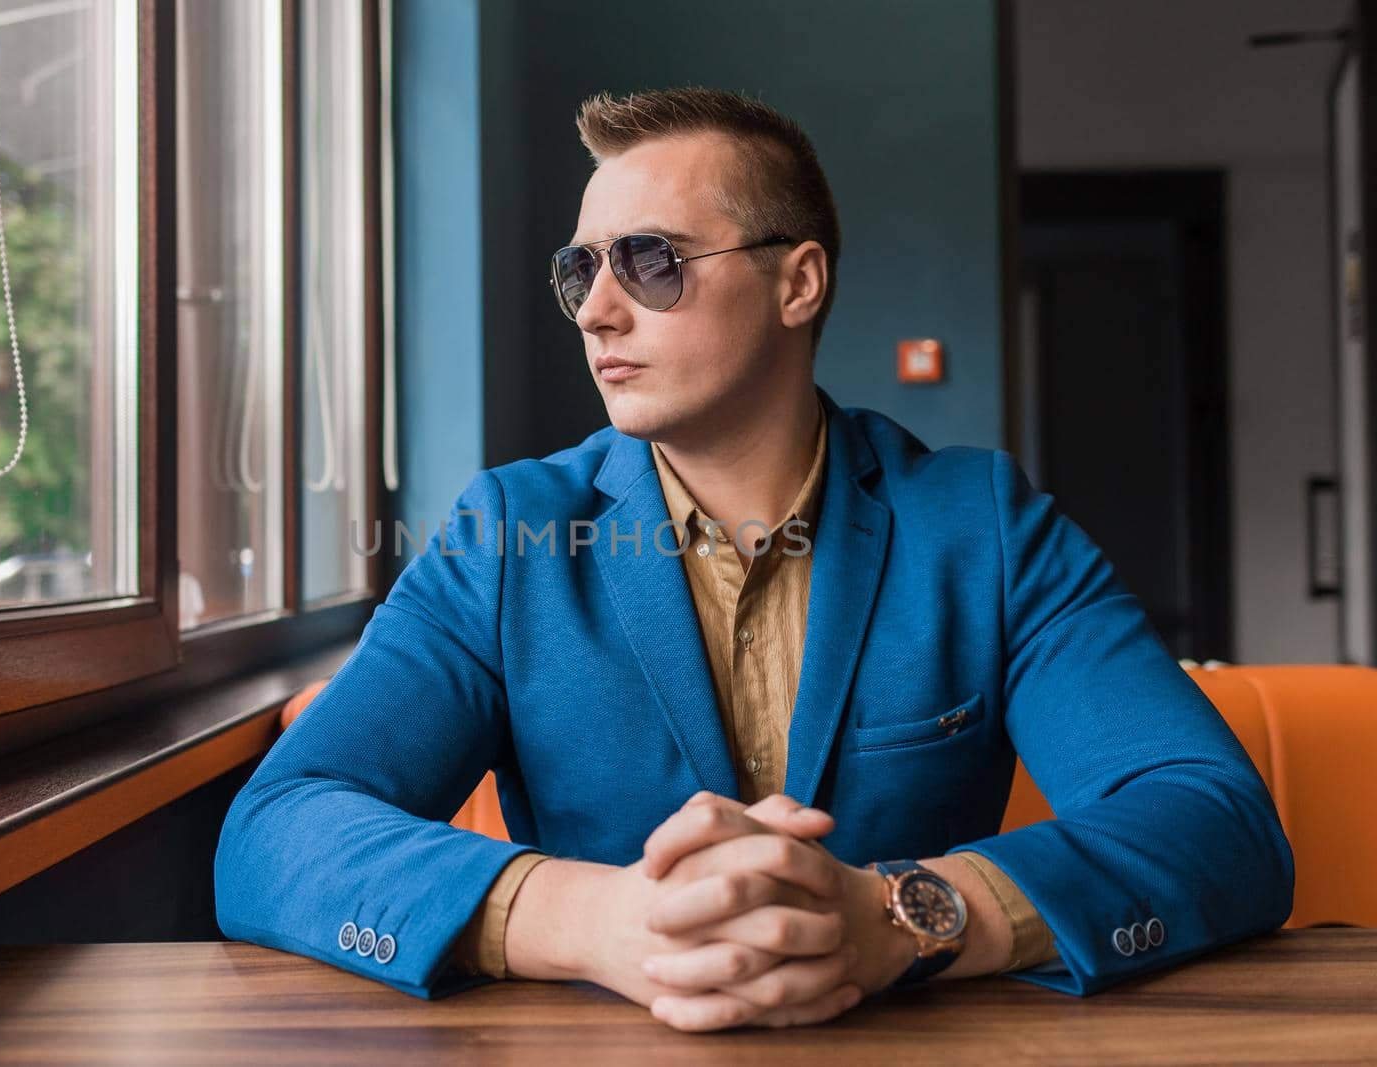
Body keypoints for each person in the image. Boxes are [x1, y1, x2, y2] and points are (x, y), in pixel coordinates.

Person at [214, 86, 1293, 1033]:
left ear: (797, 283)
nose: (596, 308)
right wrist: (596, 920)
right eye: (579, 268)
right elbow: (276, 831)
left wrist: (905, 913)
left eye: (651, 261)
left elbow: (1218, 821)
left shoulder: (984, 526)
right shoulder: (508, 533)